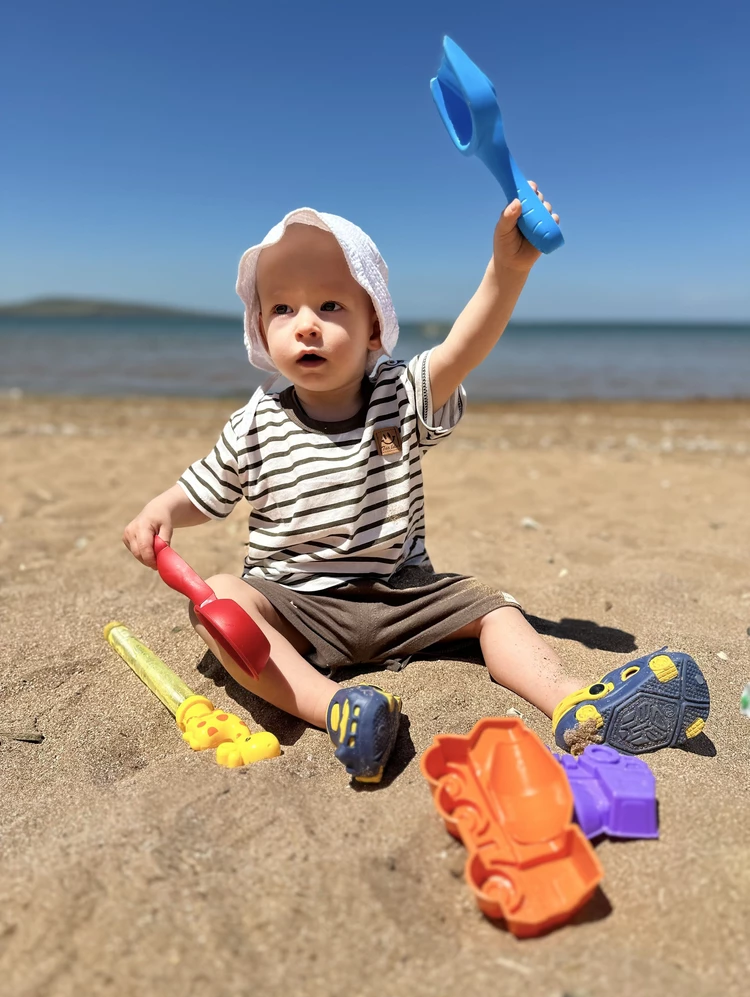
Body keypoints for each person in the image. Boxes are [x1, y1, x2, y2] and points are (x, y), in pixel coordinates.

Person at [123, 190, 709, 782]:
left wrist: (508, 270)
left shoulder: (400, 397)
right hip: (296, 606)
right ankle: (338, 709)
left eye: (330, 305)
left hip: (403, 595)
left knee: (497, 610)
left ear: (374, 324)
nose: (306, 326)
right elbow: (205, 491)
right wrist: (163, 508)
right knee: (218, 601)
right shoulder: (255, 422)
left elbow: (462, 349)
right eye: (282, 309)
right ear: (259, 327)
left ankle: (571, 702)